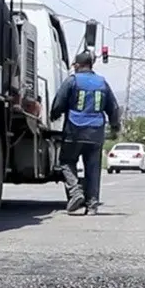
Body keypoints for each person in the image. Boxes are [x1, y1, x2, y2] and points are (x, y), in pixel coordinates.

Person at [50, 50, 121, 215]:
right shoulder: (102, 82)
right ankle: (92, 206)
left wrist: (53, 115)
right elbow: (113, 108)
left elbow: (59, 103)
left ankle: (75, 191)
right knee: (93, 169)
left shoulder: (72, 81)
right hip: (96, 132)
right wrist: (115, 126)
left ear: (77, 65)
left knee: (66, 162)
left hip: (74, 130)